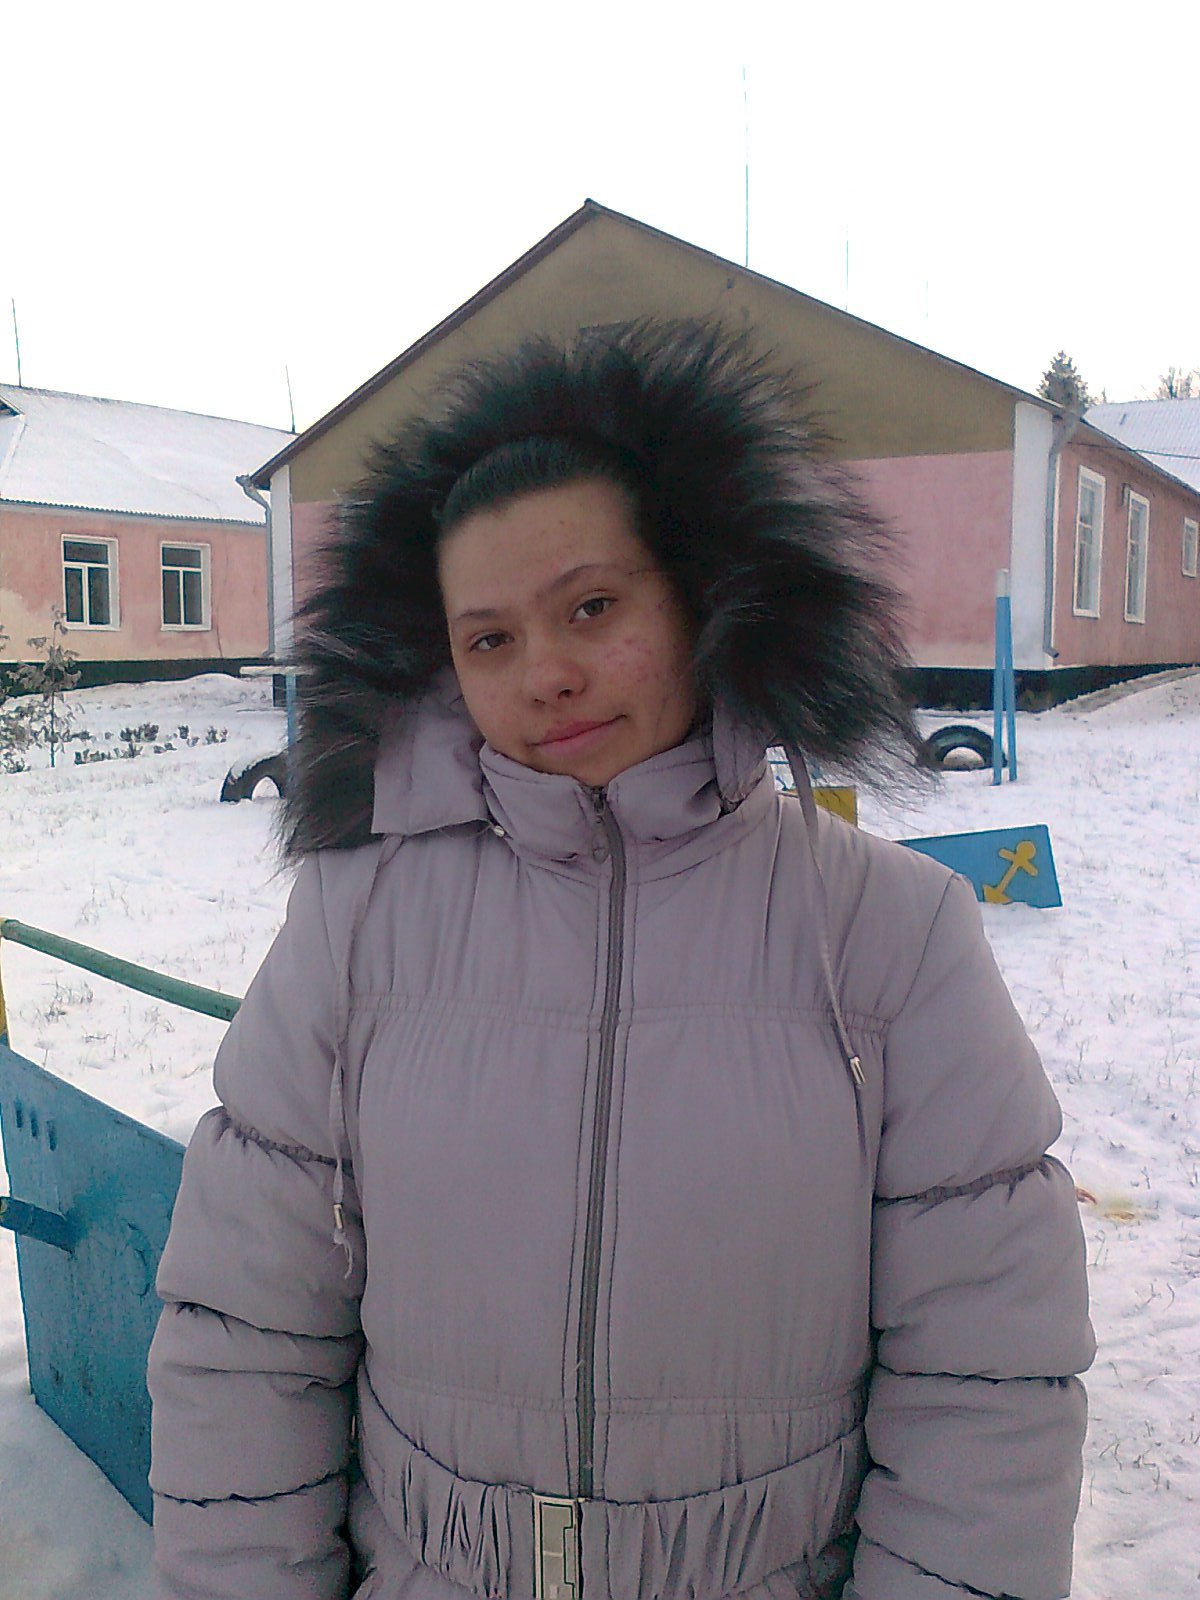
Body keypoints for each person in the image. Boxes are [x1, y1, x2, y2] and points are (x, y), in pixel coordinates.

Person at [147, 319, 1094, 1600]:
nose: (546, 673)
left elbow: (984, 1375)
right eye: (489, 638)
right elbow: (248, 1334)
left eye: (592, 606)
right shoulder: (356, 924)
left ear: (703, 597)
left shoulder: (886, 934)